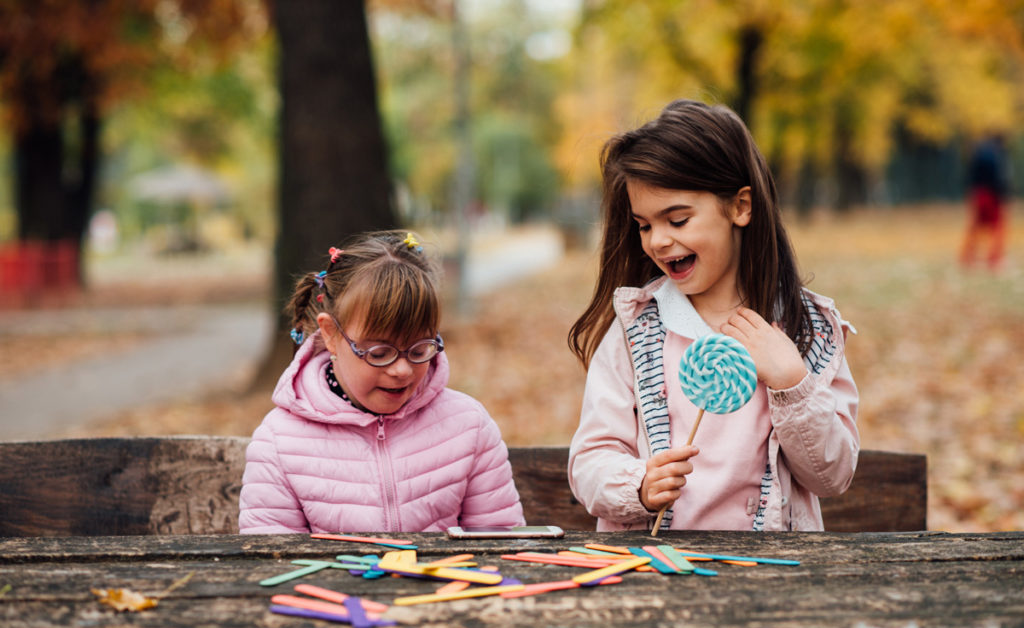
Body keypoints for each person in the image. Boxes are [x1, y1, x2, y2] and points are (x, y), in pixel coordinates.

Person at [567, 99, 859, 532]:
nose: (658, 241)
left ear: (741, 206)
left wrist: (792, 384)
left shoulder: (807, 327)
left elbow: (832, 476)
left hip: (771, 576)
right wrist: (638, 485)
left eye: (678, 220)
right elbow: (590, 460)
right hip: (660, 570)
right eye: (644, 225)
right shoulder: (636, 330)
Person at [239, 231, 524, 533]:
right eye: (379, 352)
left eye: (418, 350)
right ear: (331, 335)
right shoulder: (280, 442)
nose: (402, 370)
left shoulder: (469, 425)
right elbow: (271, 559)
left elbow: (498, 541)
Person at [961, 134, 1010, 270]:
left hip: (977, 194)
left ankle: (967, 256)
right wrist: (1002, 194)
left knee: (975, 227)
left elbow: (970, 177)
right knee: (998, 227)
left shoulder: (978, 154)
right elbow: (997, 178)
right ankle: (994, 258)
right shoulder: (994, 155)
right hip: (991, 195)